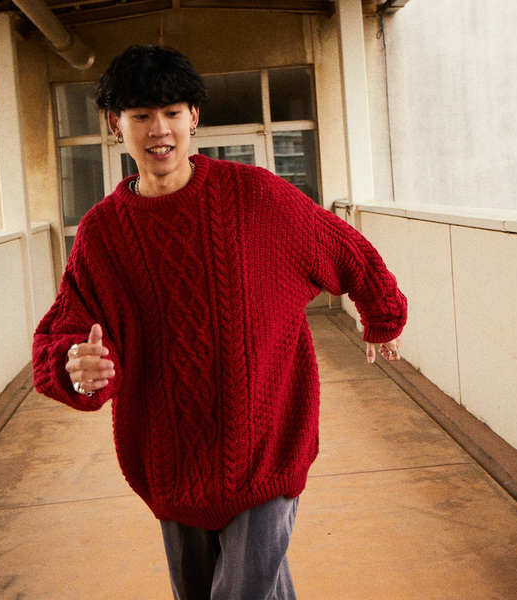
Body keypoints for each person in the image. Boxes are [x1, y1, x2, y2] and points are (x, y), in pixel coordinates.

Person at [32, 44, 407, 600]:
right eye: (141, 115)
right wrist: (74, 367)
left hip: (265, 447)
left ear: (194, 117)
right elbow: (63, 330)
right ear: (115, 124)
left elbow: (344, 248)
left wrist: (383, 314)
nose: (159, 129)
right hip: (170, 461)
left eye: (172, 112)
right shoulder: (102, 234)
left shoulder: (258, 196)